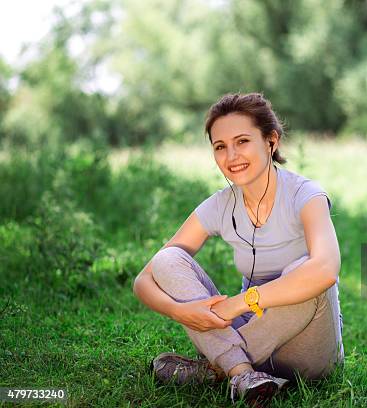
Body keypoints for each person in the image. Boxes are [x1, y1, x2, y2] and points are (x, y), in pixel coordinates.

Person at [133, 92, 344, 406]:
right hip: (250, 334)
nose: (231, 157)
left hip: (307, 348)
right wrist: (182, 312)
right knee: (167, 258)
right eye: (220, 147)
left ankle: (215, 368)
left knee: (305, 272)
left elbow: (326, 270)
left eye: (242, 141)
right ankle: (243, 373)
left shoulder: (305, 195)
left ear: (271, 142)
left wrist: (239, 303)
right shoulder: (220, 205)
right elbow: (144, 280)